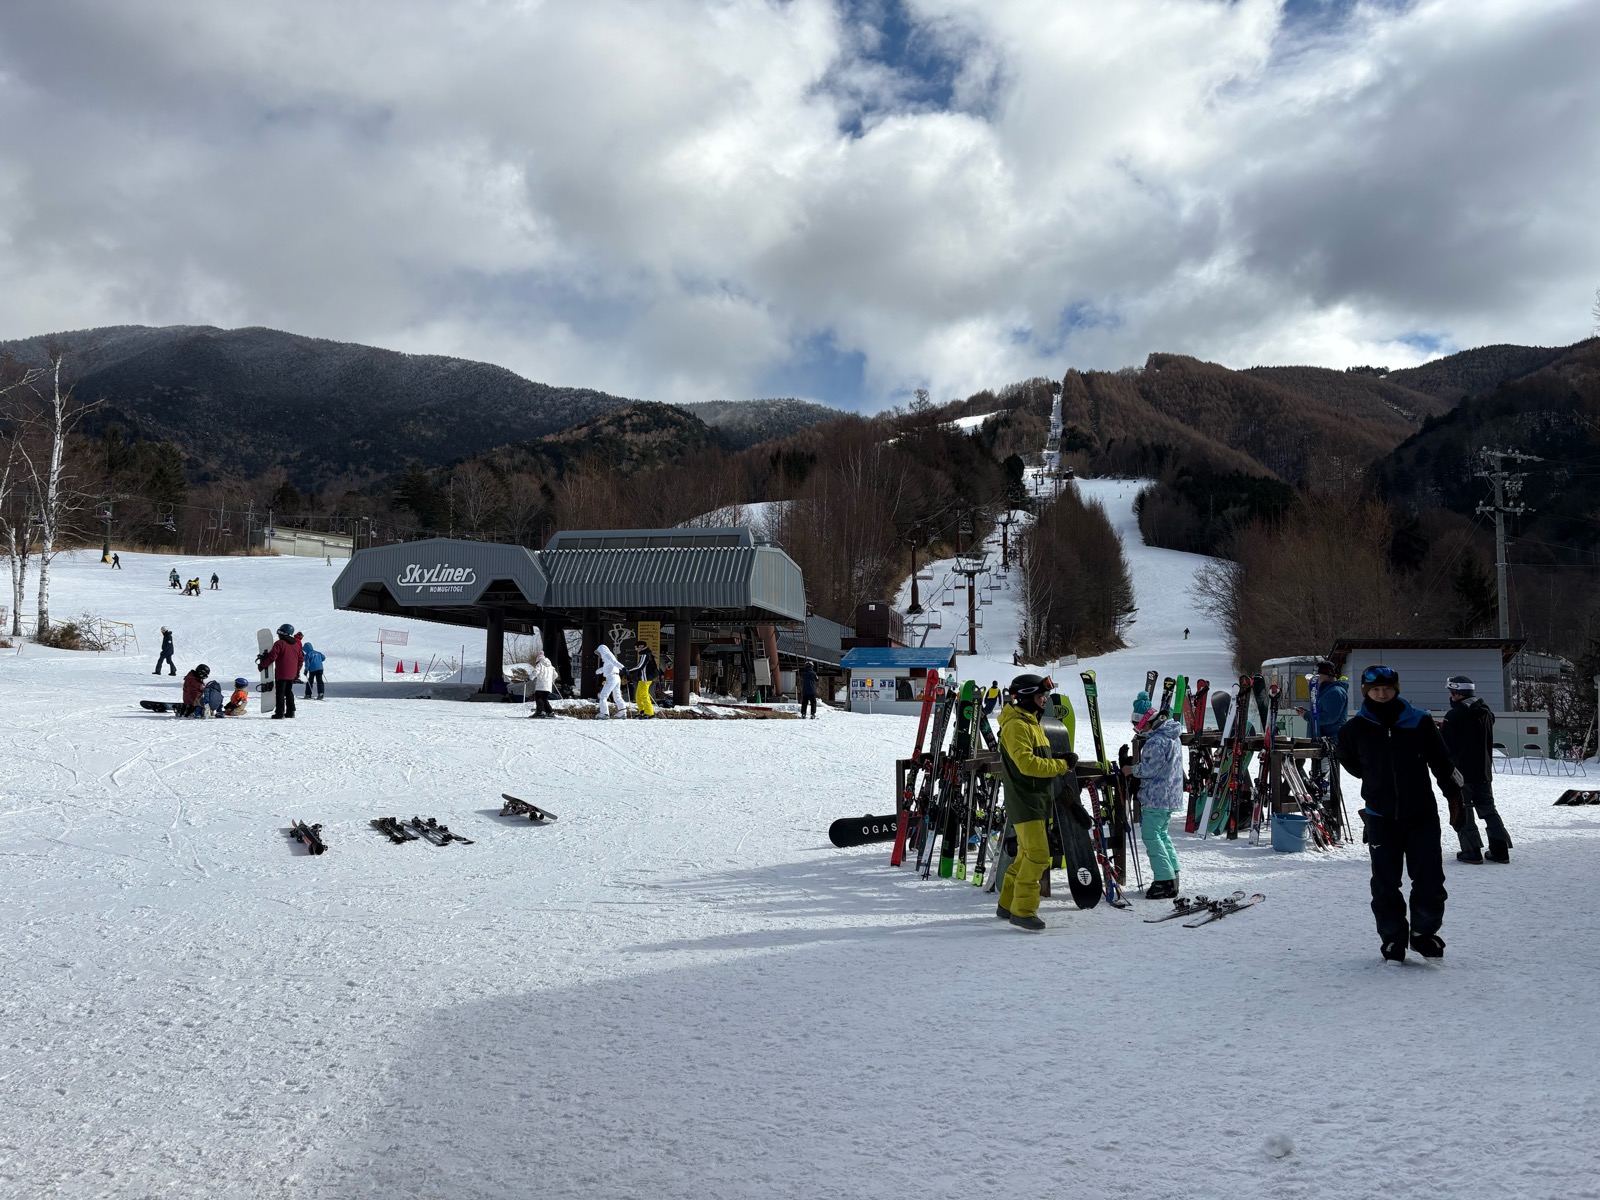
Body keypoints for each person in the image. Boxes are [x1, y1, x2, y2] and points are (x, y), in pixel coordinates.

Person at [1336, 665, 1464, 964]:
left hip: (1421, 814)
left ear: (1396, 689)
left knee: (1430, 879)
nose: (1382, 694)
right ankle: (1393, 939)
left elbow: (1442, 762)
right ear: (1367, 692)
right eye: (1376, 689)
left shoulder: (1419, 721)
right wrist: (1372, 776)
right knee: (1385, 882)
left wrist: (1455, 797)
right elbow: (1348, 759)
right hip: (1380, 816)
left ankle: (1423, 934)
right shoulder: (1354, 729)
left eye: (1388, 688)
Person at [995, 673, 1073, 932]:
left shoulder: (1030, 722)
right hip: (1025, 799)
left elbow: (1034, 755)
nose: (1044, 701)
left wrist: (1057, 756)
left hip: (1035, 799)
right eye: (1041, 696)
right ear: (1028, 697)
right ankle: (1023, 911)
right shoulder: (1017, 725)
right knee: (1039, 857)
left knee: (1026, 855)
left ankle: (1007, 904)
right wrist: (1061, 766)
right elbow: (1027, 764)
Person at [1441, 675, 1512, 864]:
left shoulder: (1453, 715)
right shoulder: (1486, 712)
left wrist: (1441, 730)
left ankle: (1471, 851)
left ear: (1456, 693)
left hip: (1461, 773)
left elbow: (1445, 744)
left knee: (1463, 809)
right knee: (1489, 810)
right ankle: (1500, 851)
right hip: (1484, 771)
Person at [1132, 717, 1185, 898]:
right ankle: (1172, 875)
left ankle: (1164, 880)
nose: (1137, 730)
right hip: (1169, 796)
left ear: (1145, 722)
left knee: (1151, 837)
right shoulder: (1172, 736)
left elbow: (1149, 769)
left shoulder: (1156, 741)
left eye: (1137, 725)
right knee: (1162, 835)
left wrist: (1130, 770)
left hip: (1156, 797)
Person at [257, 623, 304, 719]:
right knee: (289, 692)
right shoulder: (296, 645)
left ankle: (279, 713)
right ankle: (291, 712)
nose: (279, 634)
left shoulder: (280, 643)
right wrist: (297, 673)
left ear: (283, 633)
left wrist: (262, 665)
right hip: (292, 674)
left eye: (280, 632)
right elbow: (300, 660)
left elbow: (272, 656)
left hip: (282, 673)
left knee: (280, 693)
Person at [628, 640, 659, 717]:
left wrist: (628, 671)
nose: (636, 649)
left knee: (644, 695)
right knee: (638, 695)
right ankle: (642, 710)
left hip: (646, 678)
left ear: (641, 646)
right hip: (642, 678)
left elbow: (640, 666)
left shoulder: (645, 654)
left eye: (636, 647)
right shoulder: (644, 654)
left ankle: (649, 712)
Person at [595, 643, 625, 719]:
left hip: (611, 678)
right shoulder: (607, 659)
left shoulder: (607, 655)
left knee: (603, 696)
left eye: (599, 653)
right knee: (617, 696)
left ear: (602, 651)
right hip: (616, 677)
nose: (599, 655)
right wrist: (597, 671)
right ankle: (622, 712)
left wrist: (623, 668)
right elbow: (606, 668)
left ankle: (604, 713)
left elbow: (614, 662)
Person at [528, 650, 557, 718]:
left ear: (538, 660)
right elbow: (556, 675)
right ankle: (550, 712)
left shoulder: (540, 665)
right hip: (548, 686)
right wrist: (550, 679)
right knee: (544, 699)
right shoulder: (550, 666)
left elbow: (535, 672)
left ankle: (541, 712)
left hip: (541, 685)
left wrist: (530, 678)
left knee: (539, 698)